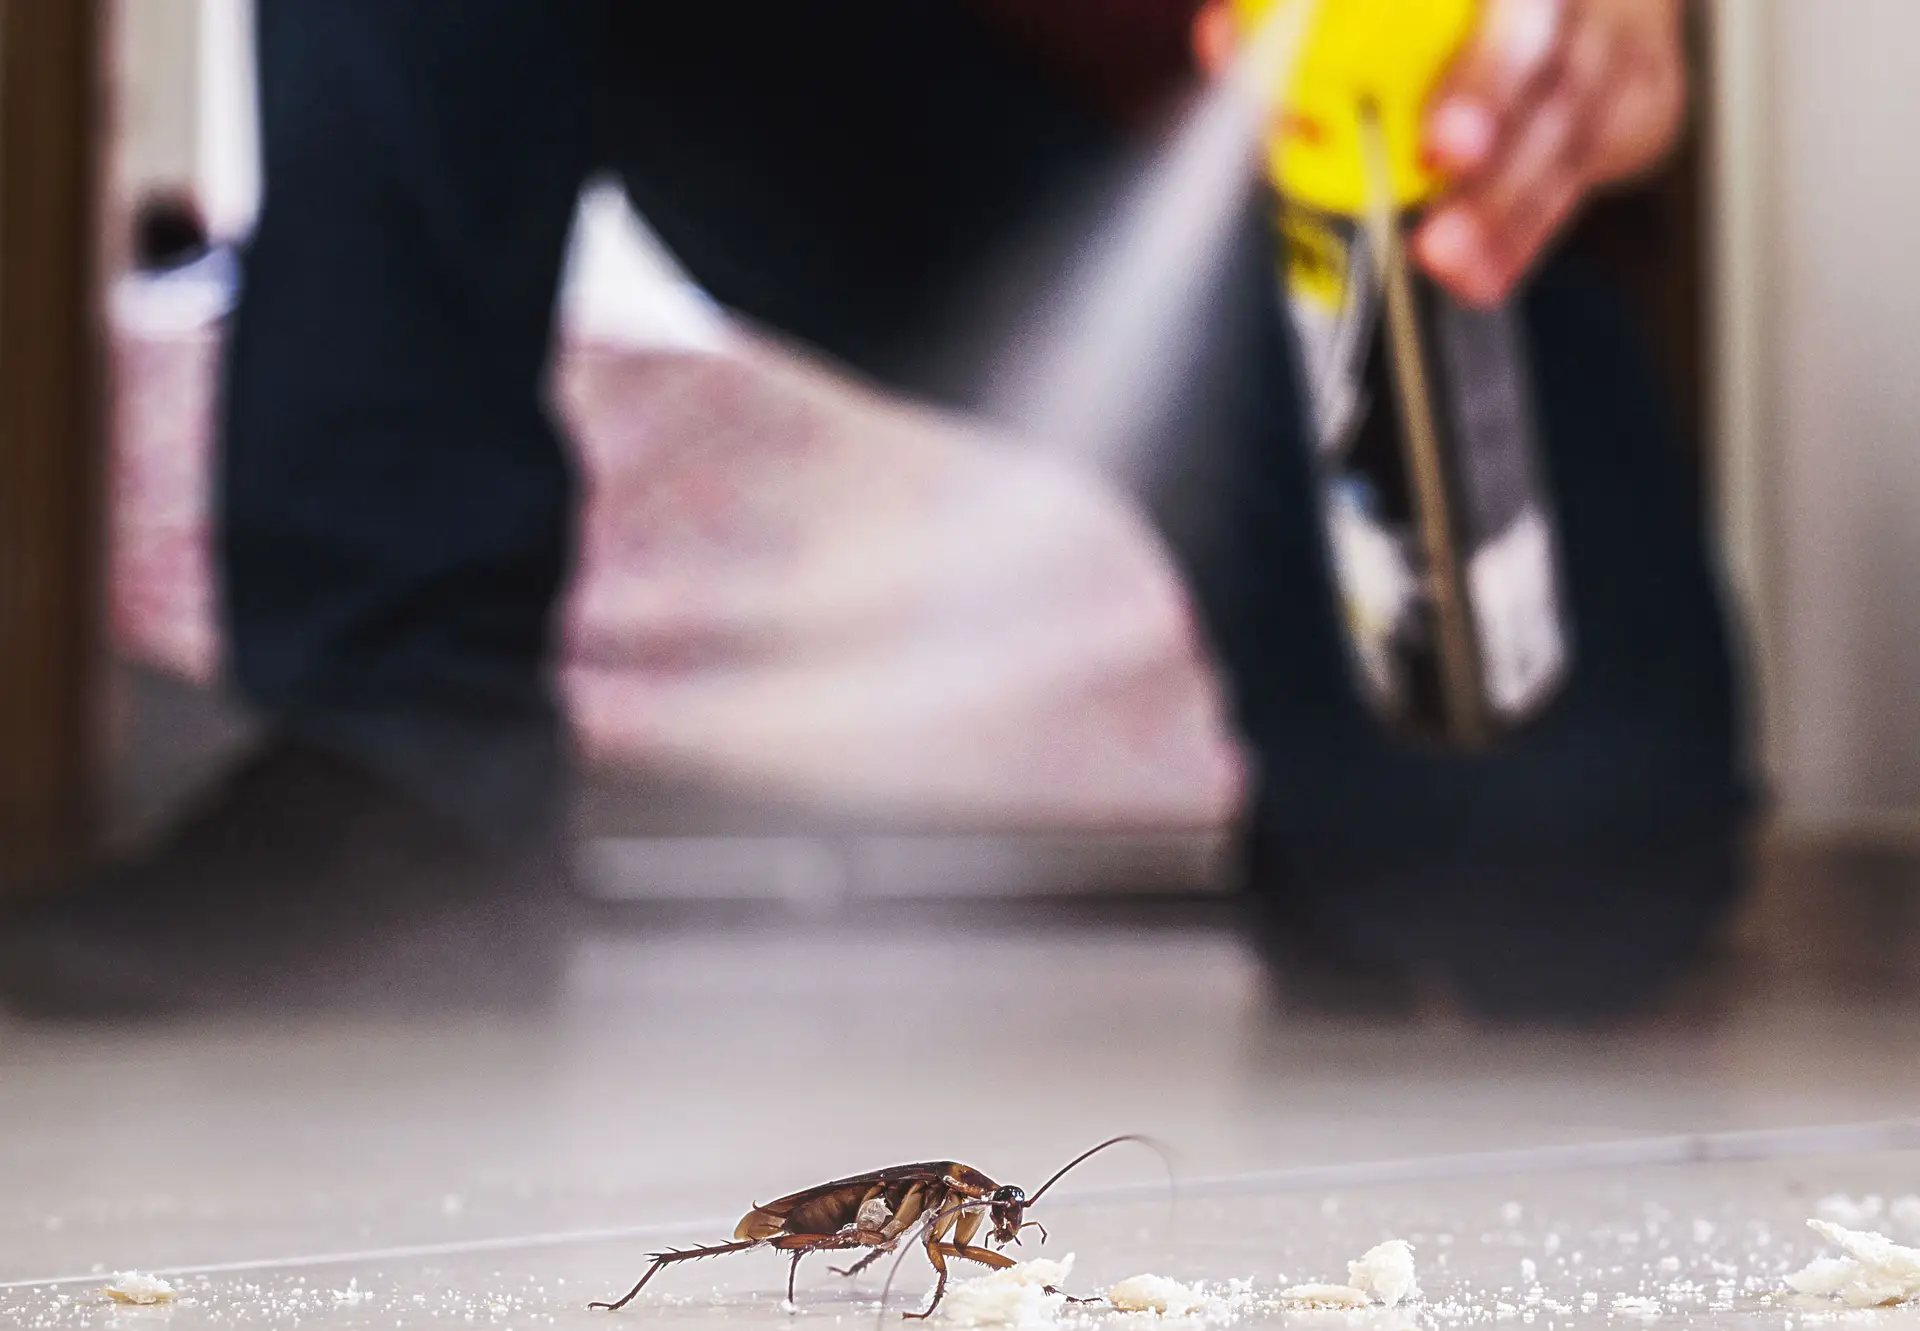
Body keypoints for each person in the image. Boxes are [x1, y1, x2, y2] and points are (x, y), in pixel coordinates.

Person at [0, 0, 1749, 1019]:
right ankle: (397, 759)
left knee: (1559, 878)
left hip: (1293, 146)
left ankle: (1343, 758)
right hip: (814, 60)